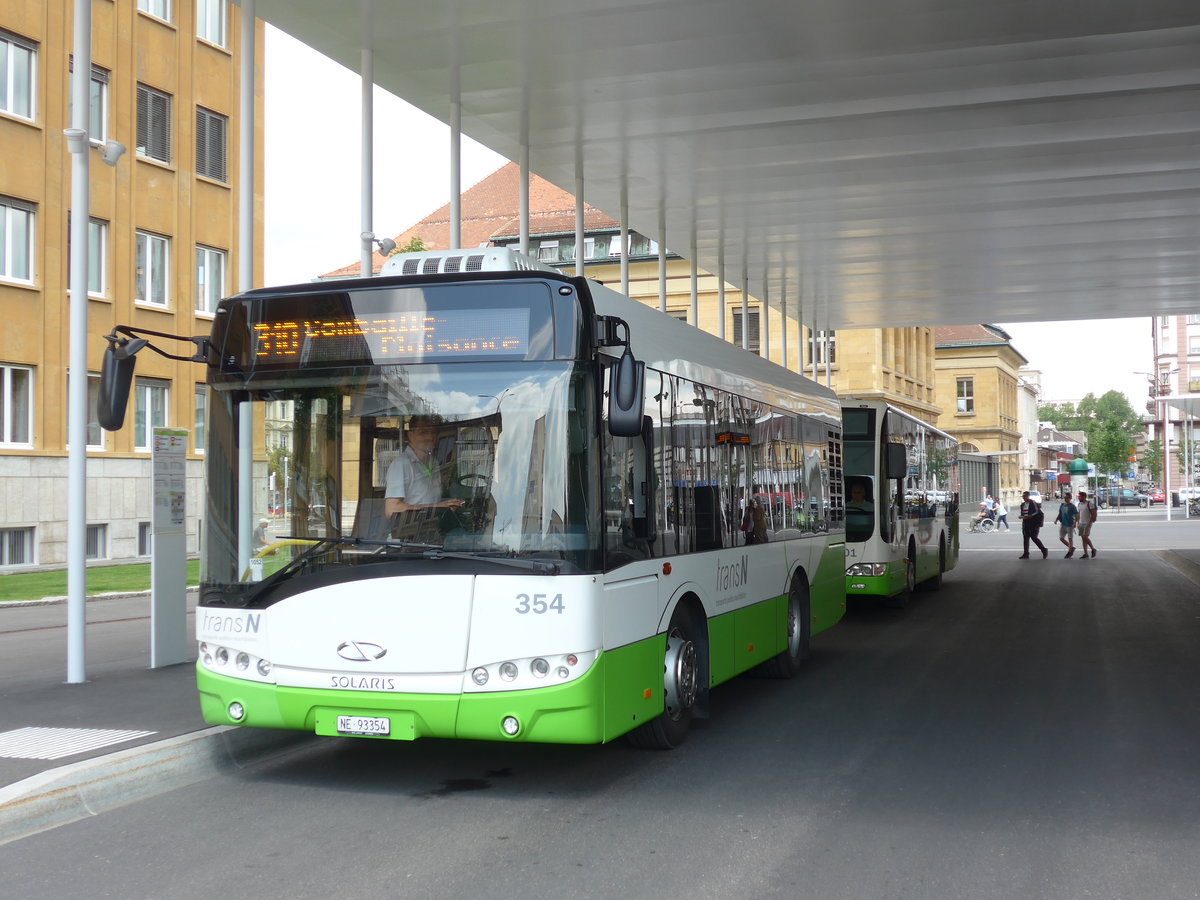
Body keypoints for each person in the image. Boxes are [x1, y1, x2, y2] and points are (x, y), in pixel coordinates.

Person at [384, 415, 464, 522]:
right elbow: (391, 509)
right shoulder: (401, 464)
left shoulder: (434, 462)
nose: (430, 437)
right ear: (410, 435)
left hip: (433, 527)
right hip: (409, 531)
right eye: (423, 433)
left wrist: (449, 504)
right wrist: (435, 507)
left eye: (434, 433)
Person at [1018, 490, 1047, 559]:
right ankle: (1026, 553)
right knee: (1025, 538)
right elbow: (1023, 513)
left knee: (1034, 537)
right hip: (1026, 522)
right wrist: (1021, 516)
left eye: (1025, 496)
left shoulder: (1033, 503)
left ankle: (1044, 549)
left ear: (1028, 496)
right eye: (1023, 496)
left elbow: (1036, 512)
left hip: (1034, 522)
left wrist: (1029, 516)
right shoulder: (1022, 505)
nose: (1024, 498)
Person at [1076, 489, 1099, 559]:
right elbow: (1078, 514)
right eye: (1079, 497)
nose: (1079, 498)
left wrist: (1090, 522)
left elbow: (1093, 514)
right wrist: (1077, 522)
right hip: (1081, 523)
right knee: (1083, 538)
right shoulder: (1079, 504)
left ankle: (1093, 549)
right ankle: (1085, 553)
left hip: (1087, 523)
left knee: (1085, 537)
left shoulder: (1089, 504)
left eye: (1080, 497)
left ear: (1084, 497)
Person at [1053, 492, 1077, 557]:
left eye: (1067, 498)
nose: (1065, 499)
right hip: (1063, 524)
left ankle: (1070, 551)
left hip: (1070, 524)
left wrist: (1075, 523)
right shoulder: (1062, 505)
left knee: (1070, 538)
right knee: (1061, 538)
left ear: (1070, 498)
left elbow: (1076, 515)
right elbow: (1060, 513)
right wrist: (1056, 519)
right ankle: (1071, 547)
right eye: (1065, 498)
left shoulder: (1072, 507)